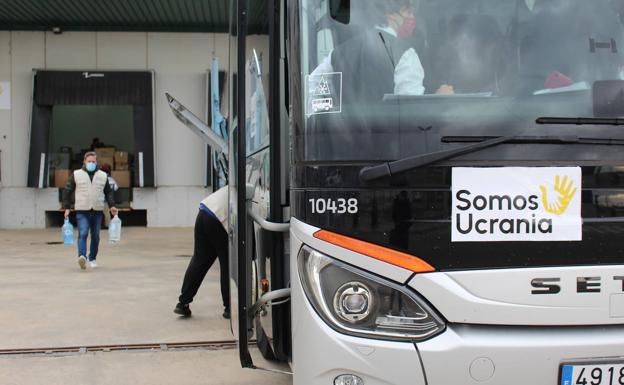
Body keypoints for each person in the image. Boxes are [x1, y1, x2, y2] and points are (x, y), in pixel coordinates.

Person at [310, 0, 453, 102]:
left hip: (346, 142)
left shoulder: (337, 53)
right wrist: (439, 100)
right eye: (408, 12)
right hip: (387, 142)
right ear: (390, 13)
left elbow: (311, 91)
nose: (412, 18)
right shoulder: (405, 55)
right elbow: (410, 109)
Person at [174, 186, 230, 319]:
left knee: (199, 260)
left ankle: (183, 303)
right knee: (228, 263)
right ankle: (229, 307)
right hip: (218, 218)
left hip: (204, 211)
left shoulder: (243, 182)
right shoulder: (259, 191)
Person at [63, 152, 118, 270]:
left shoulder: (103, 176)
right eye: (89, 161)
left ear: (96, 162)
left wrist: (112, 205)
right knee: (83, 233)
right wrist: (67, 207)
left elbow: (108, 192)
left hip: (97, 210)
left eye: (93, 162)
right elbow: (67, 190)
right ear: (84, 162)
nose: (91, 164)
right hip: (82, 210)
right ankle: (82, 256)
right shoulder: (76, 174)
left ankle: (92, 258)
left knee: (96, 236)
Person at [99, 164, 119, 228]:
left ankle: (98, 225)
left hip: (100, 199)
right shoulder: (112, 180)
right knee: (107, 213)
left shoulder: (100, 179)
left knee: (98, 213)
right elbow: (116, 188)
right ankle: (107, 224)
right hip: (108, 200)